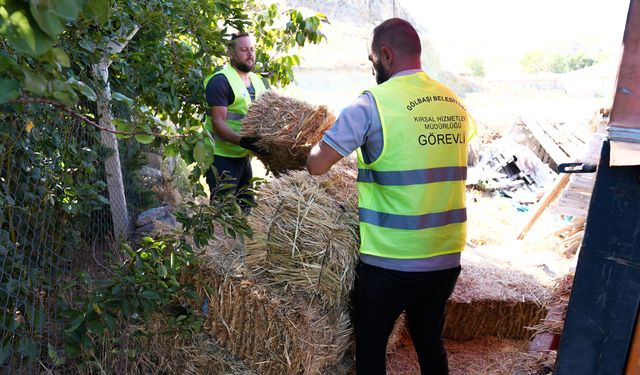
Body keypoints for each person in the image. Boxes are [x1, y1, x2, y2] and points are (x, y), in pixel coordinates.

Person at [306, 18, 476, 375]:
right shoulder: (454, 103)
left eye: (373, 60)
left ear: (386, 55)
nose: (373, 69)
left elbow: (318, 166)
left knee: (370, 349)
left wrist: (311, 144)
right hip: (445, 255)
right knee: (431, 343)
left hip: (391, 259)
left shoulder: (371, 105)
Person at [204, 32, 268, 202]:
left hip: (243, 157)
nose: (250, 54)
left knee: (245, 207)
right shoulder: (220, 81)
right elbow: (218, 122)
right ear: (231, 53)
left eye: (252, 49)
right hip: (221, 158)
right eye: (244, 50)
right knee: (223, 211)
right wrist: (242, 141)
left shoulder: (258, 81)